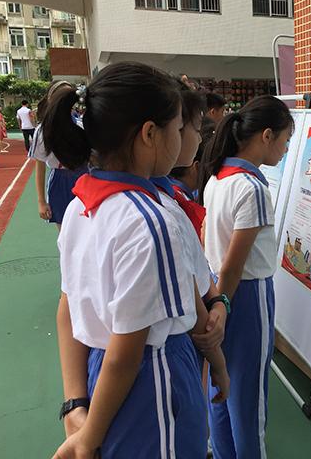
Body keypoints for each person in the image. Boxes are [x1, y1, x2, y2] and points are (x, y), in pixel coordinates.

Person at [43, 62, 229, 459]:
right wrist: (88, 440)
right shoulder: (151, 222)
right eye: (177, 127)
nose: (183, 137)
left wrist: (76, 405)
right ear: (149, 134)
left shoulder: (80, 205)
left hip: (101, 377)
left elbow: (68, 305)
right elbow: (127, 354)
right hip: (151, 380)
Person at [200, 95, 293, 458]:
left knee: (221, 387)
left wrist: (217, 303)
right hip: (246, 296)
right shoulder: (252, 188)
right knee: (249, 398)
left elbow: (216, 251)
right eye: (285, 140)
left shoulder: (217, 177)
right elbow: (234, 265)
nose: (285, 149)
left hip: (216, 290)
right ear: (266, 136)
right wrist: (224, 305)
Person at [29, 81, 86, 229]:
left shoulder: (81, 124)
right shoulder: (43, 131)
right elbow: (40, 166)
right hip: (61, 183)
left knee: (87, 229)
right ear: (51, 100)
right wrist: (41, 201)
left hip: (85, 178)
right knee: (65, 232)